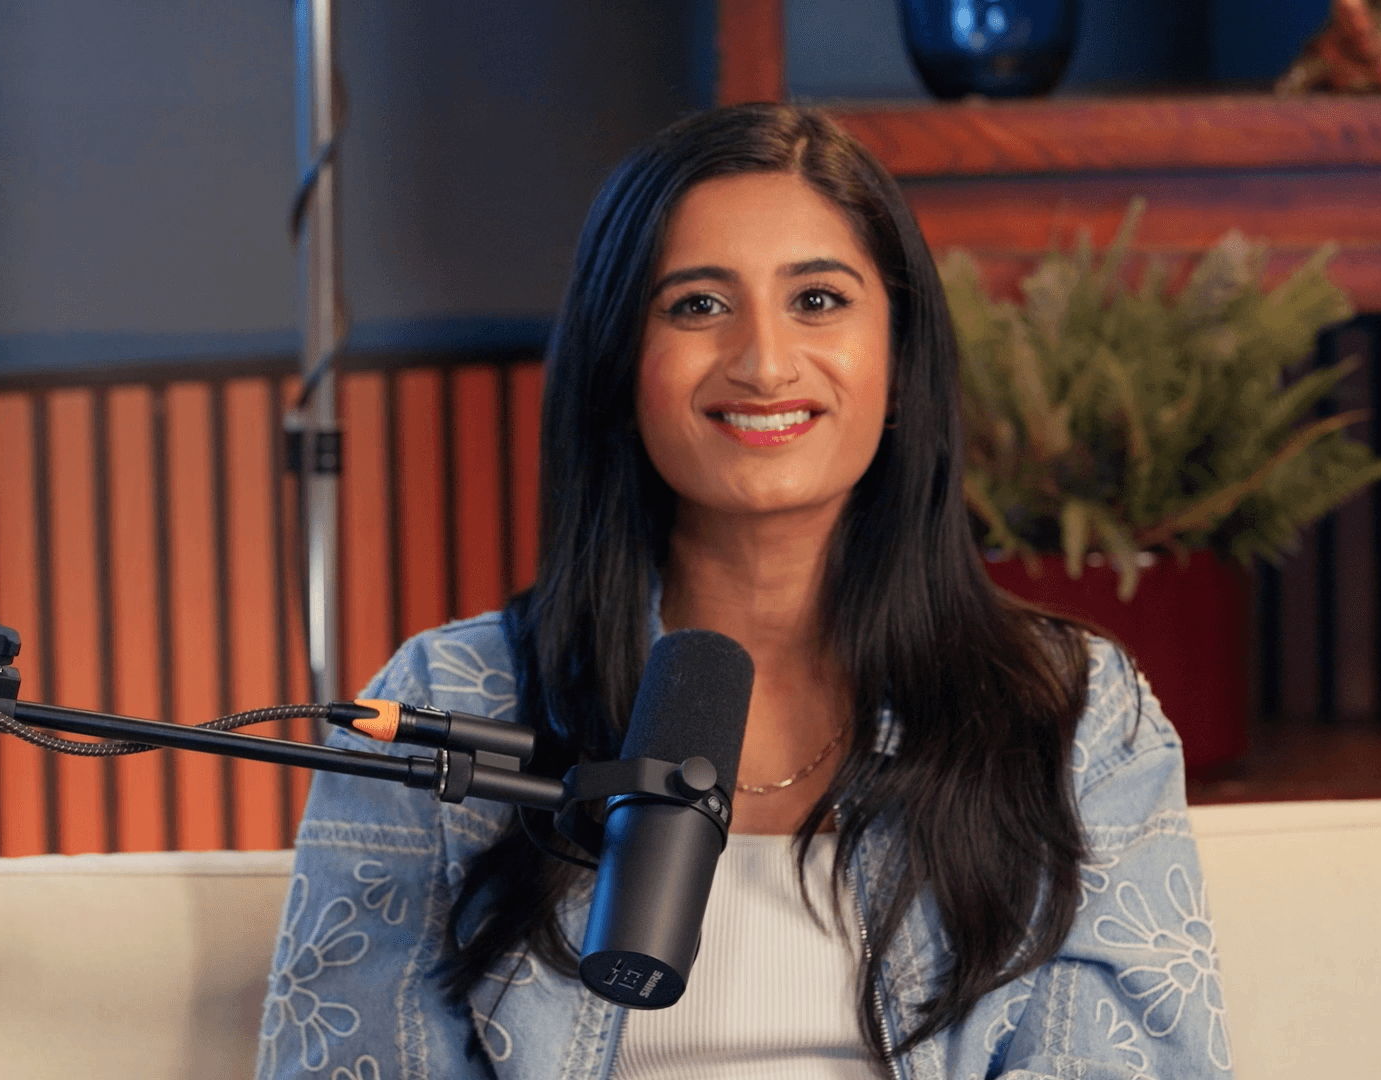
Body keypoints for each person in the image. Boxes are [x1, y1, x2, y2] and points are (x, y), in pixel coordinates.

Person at [256, 104, 1231, 1080]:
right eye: (697, 305)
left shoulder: (1071, 711)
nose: (764, 363)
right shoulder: (449, 704)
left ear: (898, 356)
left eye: (818, 300)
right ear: (619, 363)